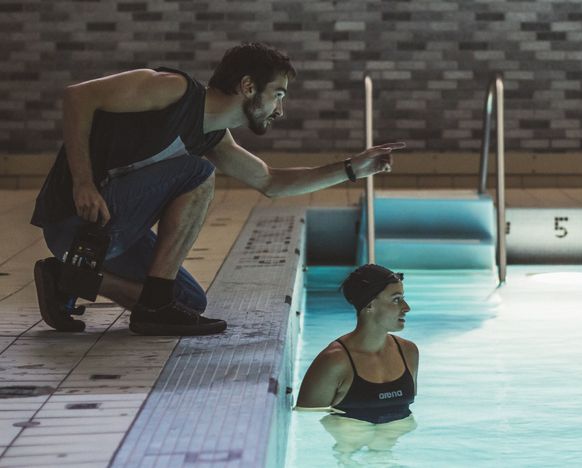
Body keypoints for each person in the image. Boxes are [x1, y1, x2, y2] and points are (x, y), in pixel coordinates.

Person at [31, 43, 405, 335]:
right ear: (248, 86)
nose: (280, 109)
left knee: (188, 302)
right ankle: (152, 306)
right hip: (75, 219)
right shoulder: (173, 90)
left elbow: (270, 182)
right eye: (278, 94)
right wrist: (82, 182)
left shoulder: (212, 137)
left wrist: (351, 169)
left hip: (107, 235)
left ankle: (69, 278)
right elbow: (78, 97)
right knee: (197, 172)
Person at [296, 264, 418, 425]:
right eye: (396, 300)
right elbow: (306, 422)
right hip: (350, 439)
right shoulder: (334, 362)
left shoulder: (408, 352)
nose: (406, 308)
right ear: (370, 305)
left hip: (398, 438)